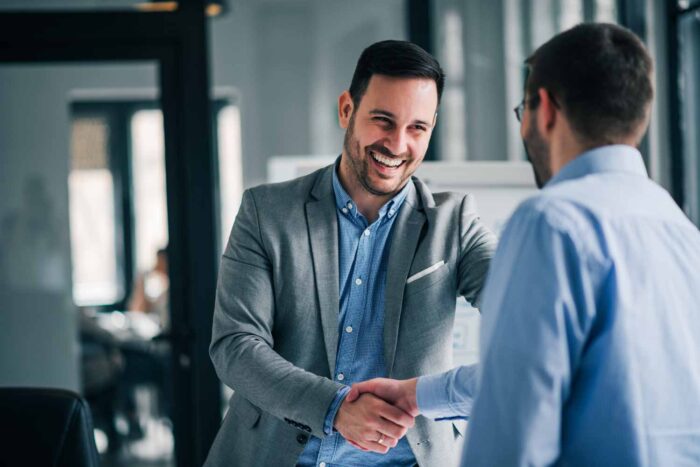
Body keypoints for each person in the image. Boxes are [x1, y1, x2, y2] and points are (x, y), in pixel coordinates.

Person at [347, 23, 700, 466]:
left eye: (523, 110)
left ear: (546, 110)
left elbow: (513, 421)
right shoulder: (682, 232)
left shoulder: (553, 222)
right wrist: (417, 394)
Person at [205, 40, 497, 467]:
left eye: (417, 128)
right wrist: (335, 407)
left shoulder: (455, 223)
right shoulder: (266, 213)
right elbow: (235, 346)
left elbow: (529, 322)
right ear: (347, 110)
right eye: (383, 120)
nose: (397, 144)